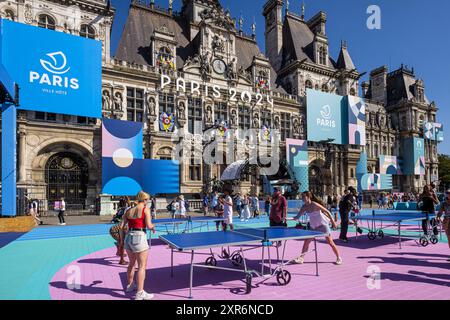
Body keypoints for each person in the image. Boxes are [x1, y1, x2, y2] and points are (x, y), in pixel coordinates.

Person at [119, 191, 155, 300]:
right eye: (147, 200)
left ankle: (130, 286)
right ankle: (140, 293)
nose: (147, 202)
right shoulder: (145, 209)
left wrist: (121, 241)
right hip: (139, 236)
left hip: (128, 237)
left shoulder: (128, 210)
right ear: (144, 200)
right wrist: (153, 227)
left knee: (131, 263)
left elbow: (121, 227)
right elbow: (148, 225)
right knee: (142, 266)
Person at [293, 191, 342, 265]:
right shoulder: (304, 207)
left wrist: (333, 222)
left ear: (308, 197)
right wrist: (294, 218)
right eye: (302, 197)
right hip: (313, 227)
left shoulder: (315, 204)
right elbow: (298, 216)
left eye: (303, 196)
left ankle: (338, 257)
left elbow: (327, 212)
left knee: (330, 242)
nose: (302, 198)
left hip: (322, 225)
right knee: (306, 242)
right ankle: (301, 258)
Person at [437, 190, 450, 261]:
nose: (449, 194)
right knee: (449, 238)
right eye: (448, 193)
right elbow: (440, 212)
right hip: (447, 222)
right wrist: (438, 217)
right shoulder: (444, 203)